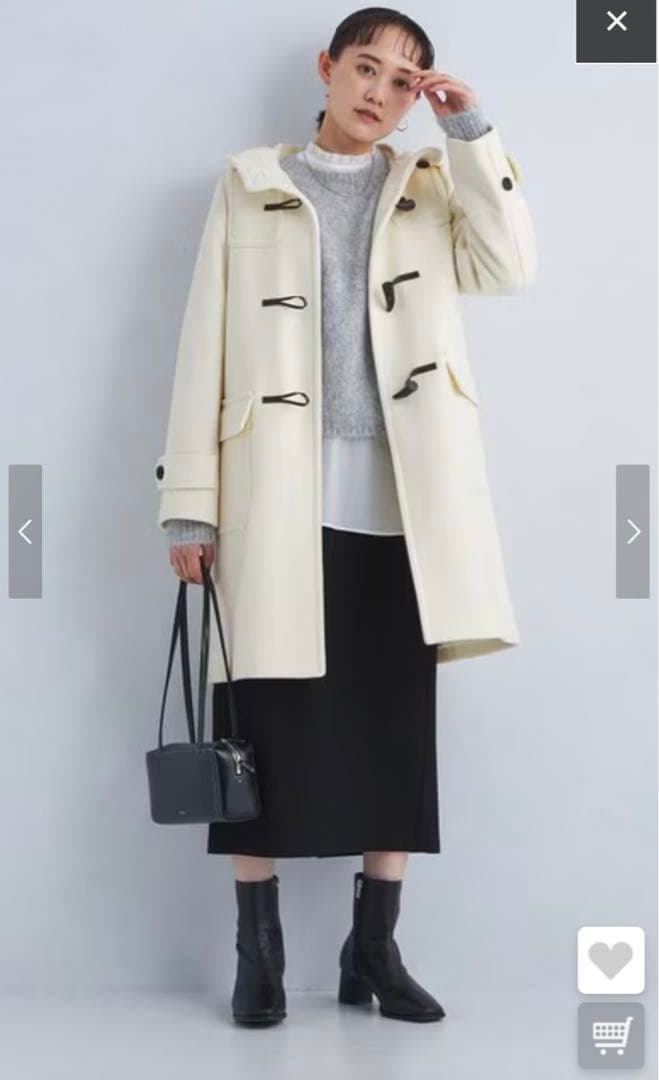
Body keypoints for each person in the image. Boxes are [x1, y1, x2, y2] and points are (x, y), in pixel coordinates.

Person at [157, 5, 535, 1026]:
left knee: (394, 721)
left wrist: (468, 131)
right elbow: (202, 344)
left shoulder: (428, 185)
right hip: (273, 492)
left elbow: (508, 267)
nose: (379, 92)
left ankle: (374, 949)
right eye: (365, 68)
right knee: (259, 723)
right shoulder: (248, 185)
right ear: (327, 69)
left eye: (403, 82)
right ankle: (259, 951)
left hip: (405, 498)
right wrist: (188, 508)